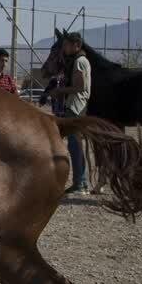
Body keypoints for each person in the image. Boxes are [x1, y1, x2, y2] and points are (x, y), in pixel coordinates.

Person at [50, 32, 92, 193]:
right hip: (77, 106)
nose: (65, 47)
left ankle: (79, 182)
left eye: (67, 45)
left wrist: (59, 90)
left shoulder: (80, 61)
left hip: (75, 107)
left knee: (75, 146)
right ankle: (81, 181)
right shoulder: (80, 60)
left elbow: (79, 86)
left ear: (77, 45)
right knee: (76, 145)